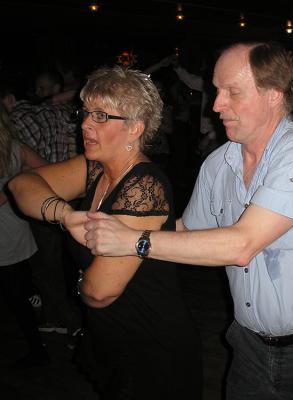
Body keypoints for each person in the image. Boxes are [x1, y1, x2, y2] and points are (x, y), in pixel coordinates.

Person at [81, 42, 293, 399]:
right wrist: (104, 230)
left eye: (233, 92)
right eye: (217, 90)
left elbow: (241, 244)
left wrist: (131, 241)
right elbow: (186, 230)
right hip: (249, 346)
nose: (216, 105)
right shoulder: (219, 164)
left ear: (274, 94)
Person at [8, 66, 202, 399]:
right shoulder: (95, 168)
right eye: (85, 113)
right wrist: (65, 214)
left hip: (150, 345)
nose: (84, 124)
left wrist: (76, 286)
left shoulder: (144, 186)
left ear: (135, 128)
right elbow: (21, 184)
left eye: (100, 116)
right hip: (111, 335)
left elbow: (100, 291)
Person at [0, 103, 49, 368]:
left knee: (16, 295)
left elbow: (49, 171)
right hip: (12, 228)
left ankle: (38, 350)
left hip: (7, 232)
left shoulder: (14, 148)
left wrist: (14, 186)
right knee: (17, 290)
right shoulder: (15, 147)